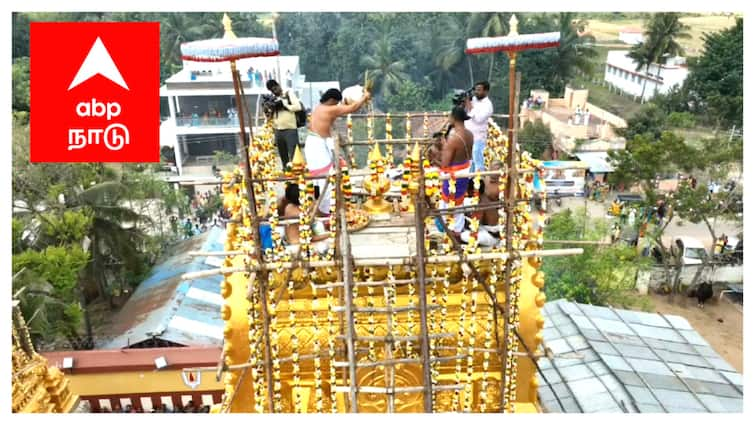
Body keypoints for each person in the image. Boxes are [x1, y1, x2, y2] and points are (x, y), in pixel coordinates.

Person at [305, 87, 371, 216]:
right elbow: (352, 109)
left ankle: (322, 207)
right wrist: (365, 97)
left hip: (315, 143)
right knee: (325, 178)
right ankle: (326, 210)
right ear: (331, 100)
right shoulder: (330, 109)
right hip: (317, 146)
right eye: (336, 103)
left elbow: (341, 111)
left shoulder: (319, 107)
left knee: (320, 179)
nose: (337, 105)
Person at [440, 106, 474, 236]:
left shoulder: (453, 139)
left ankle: (447, 229)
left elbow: (445, 163)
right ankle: (458, 229)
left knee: (447, 202)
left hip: (453, 175)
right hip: (465, 170)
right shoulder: (470, 134)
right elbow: (469, 155)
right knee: (459, 201)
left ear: (454, 118)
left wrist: (444, 146)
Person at [267, 79, 303, 168]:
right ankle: (286, 174)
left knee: (294, 155)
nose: (275, 91)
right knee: (283, 156)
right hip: (278, 130)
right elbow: (269, 116)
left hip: (290, 129)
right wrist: (268, 109)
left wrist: (284, 105)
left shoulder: (288, 94)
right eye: (272, 90)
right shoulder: (272, 99)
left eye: (275, 89)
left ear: (279, 85)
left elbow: (298, 107)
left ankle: (296, 177)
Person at [464, 81, 494, 173]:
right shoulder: (473, 99)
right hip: (468, 137)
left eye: (479, 90)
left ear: (486, 91)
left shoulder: (488, 105)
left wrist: (469, 106)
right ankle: (471, 182)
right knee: (470, 163)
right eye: (475, 90)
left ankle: (480, 183)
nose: (476, 92)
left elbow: (478, 119)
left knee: (478, 163)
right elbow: (465, 112)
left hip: (478, 138)